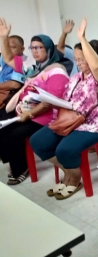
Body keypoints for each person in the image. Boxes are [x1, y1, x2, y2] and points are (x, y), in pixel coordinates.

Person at [30, 19, 98, 200]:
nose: (79, 62)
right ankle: (68, 172)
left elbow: (97, 66)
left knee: (64, 149)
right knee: (38, 141)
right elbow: (66, 100)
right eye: (76, 59)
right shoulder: (75, 78)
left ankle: (74, 179)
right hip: (69, 120)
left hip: (94, 124)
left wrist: (82, 38)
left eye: (82, 59)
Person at [0, 18, 69, 185]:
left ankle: (21, 169)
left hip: (46, 115)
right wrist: (3, 37)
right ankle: (16, 162)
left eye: (39, 48)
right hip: (29, 111)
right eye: (33, 48)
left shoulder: (56, 71)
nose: (35, 51)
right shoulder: (32, 67)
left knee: (13, 133)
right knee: (4, 127)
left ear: (49, 49)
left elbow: (51, 102)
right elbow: (9, 57)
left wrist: (29, 113)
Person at [0, 35, 27, 119]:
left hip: (9, 97)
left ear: (22, 49)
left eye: (12, 47)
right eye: (6, 47)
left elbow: (15, 85)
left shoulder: (24, 62)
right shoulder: (3, 58)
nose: (8, 50)